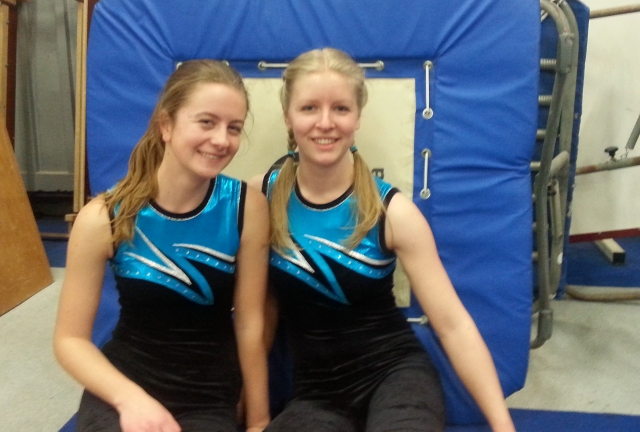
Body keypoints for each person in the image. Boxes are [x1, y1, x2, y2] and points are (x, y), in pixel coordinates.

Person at [250, 48, 516, 432]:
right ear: (288, 116)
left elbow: (453, 324)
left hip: (395, 377)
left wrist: (503, 425)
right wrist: (251, 412)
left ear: (358, 116)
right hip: (316, 394)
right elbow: (259, 313)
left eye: (340, 108)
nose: (325, 123)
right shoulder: (261, 198)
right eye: (309, 108)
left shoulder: (392, 212)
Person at [54, 60, 270, 432]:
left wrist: (258, 421)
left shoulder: (246, 208)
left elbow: (250, 324)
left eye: (233, 128)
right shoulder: (104, 218)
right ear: (166, 125)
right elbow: (70, 340)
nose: (222, 140)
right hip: (126, 383)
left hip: (207, 394)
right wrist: (130, 400)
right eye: (207, 122)